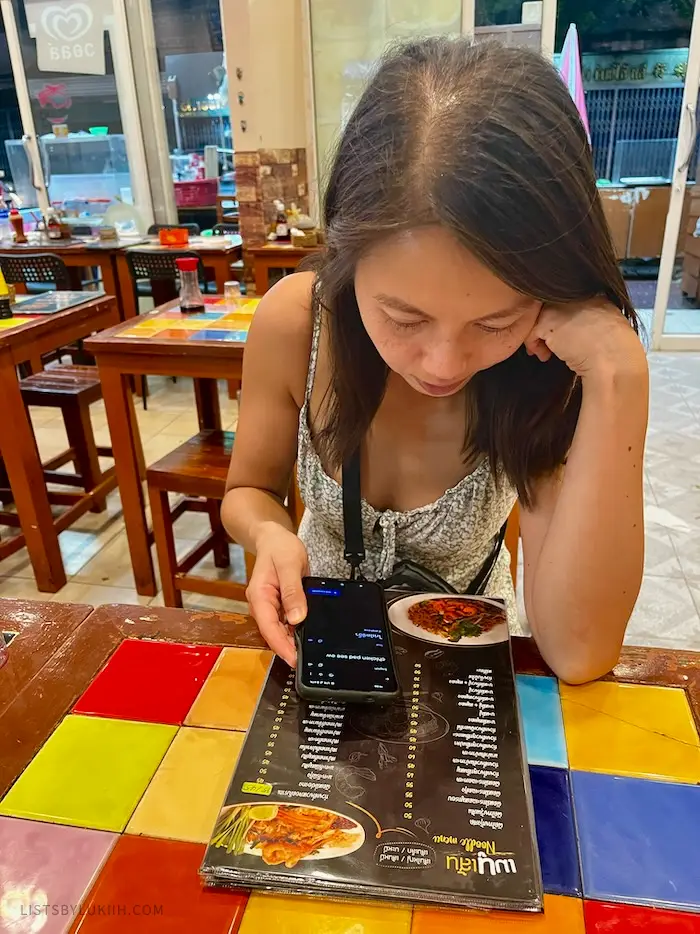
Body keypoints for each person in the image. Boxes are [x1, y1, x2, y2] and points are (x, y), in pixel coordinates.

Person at [221, 38, 648, 685]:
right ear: (346, 255)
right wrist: (271, 535)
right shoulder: (298, 324)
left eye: (496, 321)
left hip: (463, 659)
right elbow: (248, 490)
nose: (444, 362)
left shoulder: (551, 368)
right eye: (404, 317)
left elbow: (579, 652)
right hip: (323, 649)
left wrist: (620, 377)